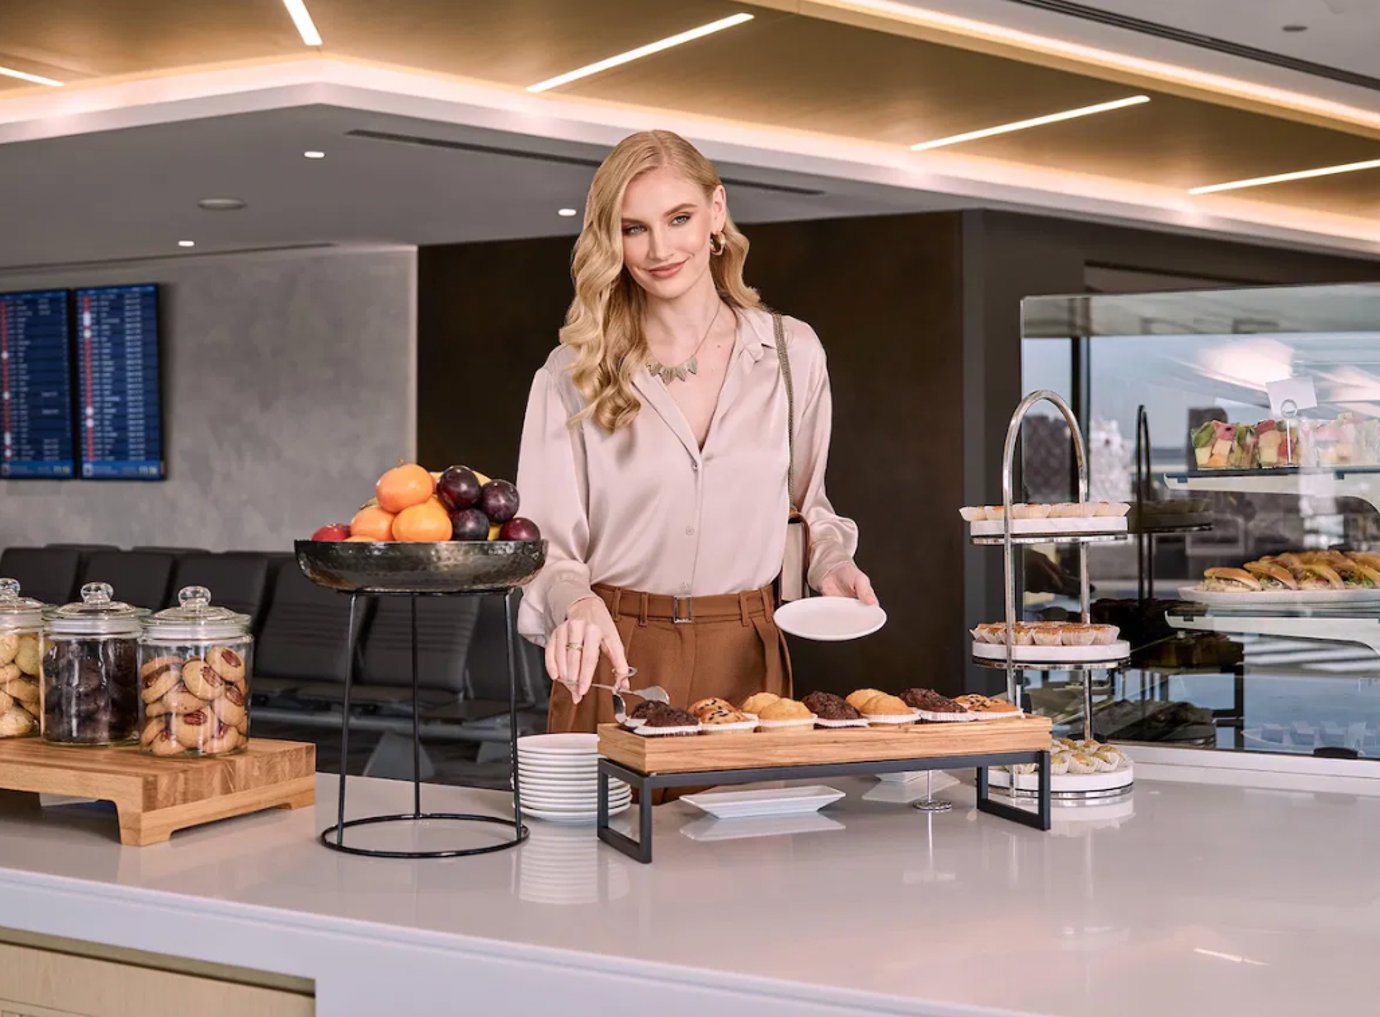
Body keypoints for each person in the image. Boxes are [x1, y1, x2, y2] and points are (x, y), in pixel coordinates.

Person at [516, 129, 875, 734]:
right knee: (607, 830)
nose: (660, 248)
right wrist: (573, 603)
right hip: (616, 649)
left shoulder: (792, 353)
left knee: (750, 830)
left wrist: (830, 560)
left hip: (748, 649)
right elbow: (546, 546)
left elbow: (807, 504)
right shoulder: (571, 372)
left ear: (716, 211)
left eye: (678, 218)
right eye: (634, 228)